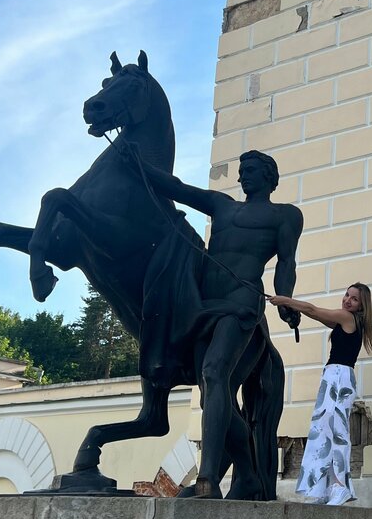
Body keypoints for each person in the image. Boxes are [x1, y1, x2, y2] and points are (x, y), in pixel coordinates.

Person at [126, 146, 303, 499]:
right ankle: (249, 474)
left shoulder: (285, 215)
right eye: (241, 170)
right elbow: (178, 189)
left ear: (268, 176)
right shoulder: (222, 205)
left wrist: (285, 300)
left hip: (241, 302)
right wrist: (136, 162)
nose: (242, 175)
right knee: (211, 395)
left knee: (213, 373)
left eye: (249, 170)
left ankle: (207, 477)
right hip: (204, 305)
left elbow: (286, 262)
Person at [267, 283, 372, 506]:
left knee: (336, 432)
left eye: (354, 299)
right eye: (346, 295)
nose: (347, 300)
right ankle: (325, 488)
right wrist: (292, 307)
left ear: (361, 305)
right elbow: (315, 315)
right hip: (333, 376)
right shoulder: (345, 321)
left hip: (339, 378)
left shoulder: (347, 318)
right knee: (323, 431)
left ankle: (341, 487)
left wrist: (284, 300)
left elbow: (313, 309)